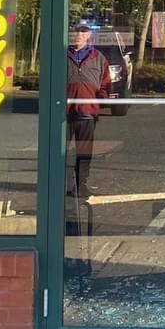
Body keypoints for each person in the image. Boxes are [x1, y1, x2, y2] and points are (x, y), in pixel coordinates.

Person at [66, 21, 111, 206]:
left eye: (83, 31)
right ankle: (60, 183)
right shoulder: (61, 55)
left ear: (88, 35)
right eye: (76, 31)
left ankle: (81, 184)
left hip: (86, 112)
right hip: (64, 113)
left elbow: (105, 83)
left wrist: (101, 99)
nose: (79, 34)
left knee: (84, 151)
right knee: (61, 152)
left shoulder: (98, 58)